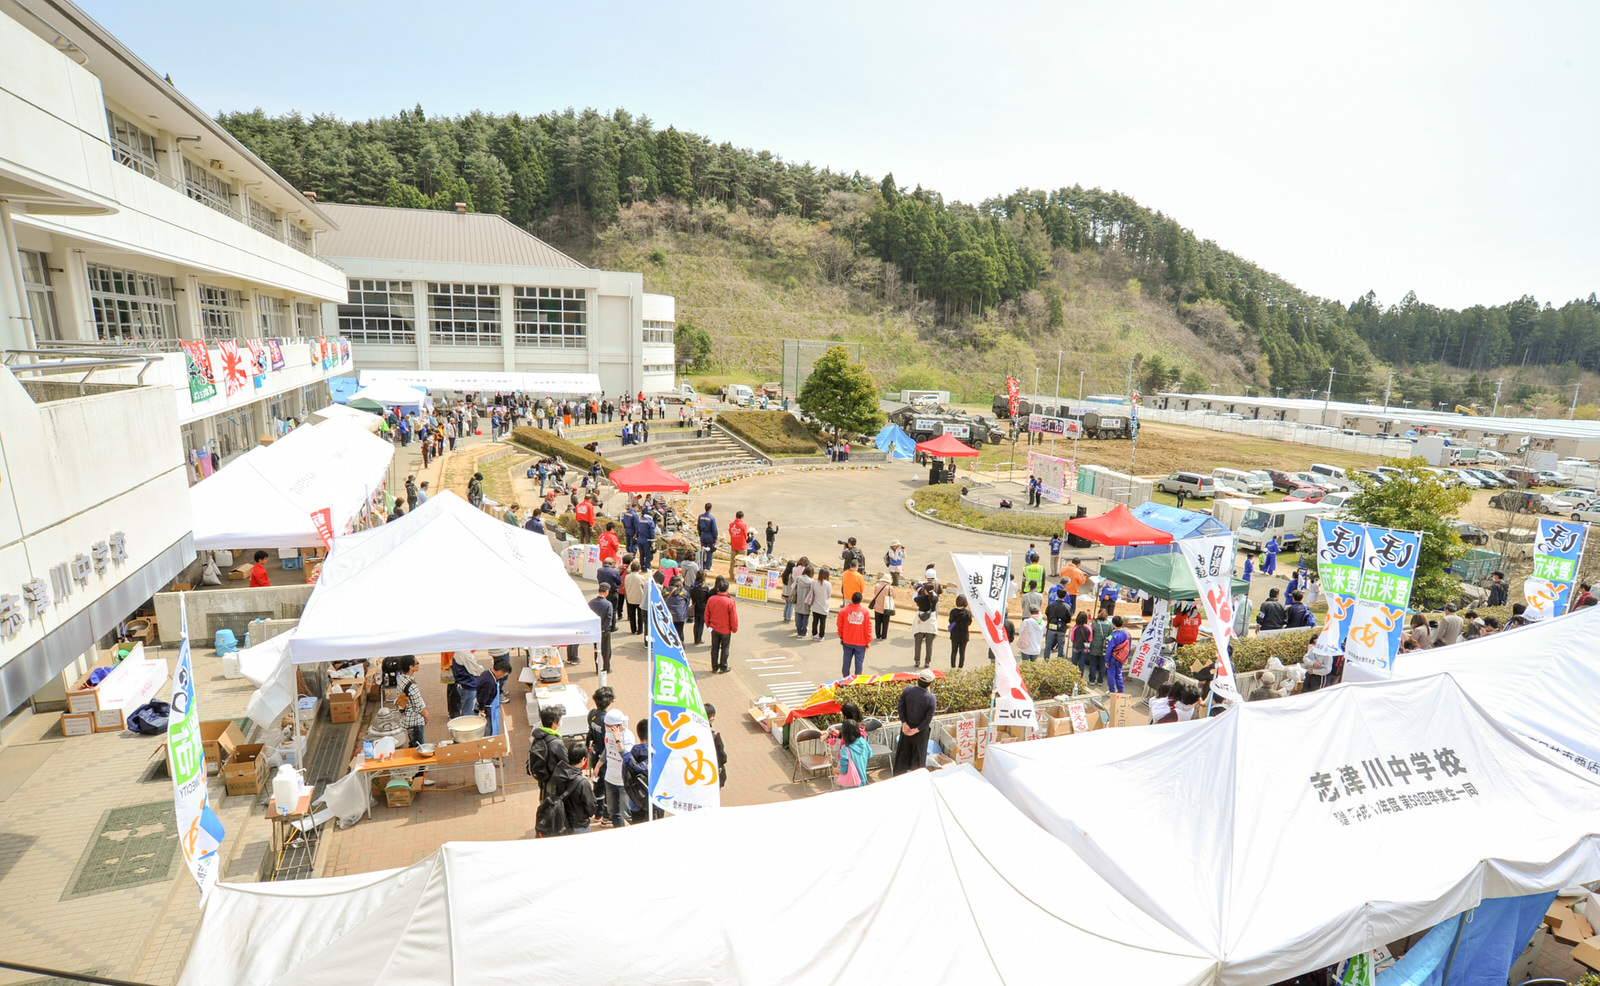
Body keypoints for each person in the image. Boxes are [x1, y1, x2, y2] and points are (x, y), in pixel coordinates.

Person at [528, 705, 592, 837]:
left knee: (547, 806)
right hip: (556, 783)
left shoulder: (538, 736)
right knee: (556, 812)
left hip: (544, 782)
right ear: (555, 723)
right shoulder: (556, 743)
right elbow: (567, 765)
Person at [892, 669, 938, 775]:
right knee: (918, 761)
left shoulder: (908, 690)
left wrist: (904, 723)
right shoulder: (931, 699)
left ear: (918, 680)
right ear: (930, 684)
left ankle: (898, 779)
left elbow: (901, 707)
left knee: (902, 758)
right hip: (920, 733)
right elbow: (927, 719)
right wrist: (916, 730)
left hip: (906, 730)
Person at [601, 709, 636, 828]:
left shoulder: (628, 736)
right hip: (610, 778)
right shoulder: (608, 733)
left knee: (627, 813)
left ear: (618, 725)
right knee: (613, 811)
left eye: (609, 727)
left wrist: (618, 739)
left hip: (623, 781)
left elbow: (627, 756)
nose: (607, 729)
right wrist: (598, 765)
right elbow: (607, 749)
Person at [704, 577, 739, 673]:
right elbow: (733, 618)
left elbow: (707, 614)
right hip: (725, 630)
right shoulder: (730, 602)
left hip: (714, 628)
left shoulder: (711, 599)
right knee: (725, 648)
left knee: (714, 648)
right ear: (727, 590)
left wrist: (709, 626)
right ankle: (723, 666)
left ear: (718, 589)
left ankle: (714, 667)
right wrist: (734, 628)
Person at [837, 591, 872, 677]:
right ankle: (857, 680)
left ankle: (845, 679)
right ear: (861, 600)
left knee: (846, 662)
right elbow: (868, 627)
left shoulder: (844, 611)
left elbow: (839, 625)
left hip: (847, 641)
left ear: (851, 599)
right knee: (859, 663)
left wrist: (841, 636)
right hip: (861, 642)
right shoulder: (864, 612)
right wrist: (868, 641)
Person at [830, 718, 872, 789]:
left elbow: (843, 770)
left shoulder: (845, 749)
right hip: (862, 780)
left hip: (850, 784)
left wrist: (835, 770)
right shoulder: (863, 742)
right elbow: (870, 754)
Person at [590, 584, 616, 685]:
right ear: (606, 592)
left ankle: (598, 668)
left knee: (596, 650)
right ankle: (606, 668)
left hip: (595, 630)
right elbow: (609, 617)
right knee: (606, 650)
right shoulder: (608, 604)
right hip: (605, 631)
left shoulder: (591, 602)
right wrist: (604, 628)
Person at [911, 581, 939, 669]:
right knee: (929, 644)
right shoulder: (935, 599)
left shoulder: (920, 599)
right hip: (931, 622)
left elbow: (914, 598)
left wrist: (918, 590)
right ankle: (927, 662)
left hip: (920, 622)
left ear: (925, 590)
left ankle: (917, 661)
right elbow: (934, 595)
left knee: (918, 643)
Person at [1104, 616, 1131, 693]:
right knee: (1119, 674)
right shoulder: (1128, 634)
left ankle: (1112, 691)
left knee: (1111, 675)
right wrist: (1125, 657)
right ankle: (1120, 690)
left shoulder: (1112, 636)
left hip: (1113, 657)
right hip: (1121, 658)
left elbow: (1109, 649)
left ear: (1114, 624)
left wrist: (1107, 660)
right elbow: (1128, 647)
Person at [1087, 608, 1113, 686]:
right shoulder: (1109, 625)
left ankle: (1092, 680)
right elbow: (1110, 636)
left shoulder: (1095, 624)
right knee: (1102, 665)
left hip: (1094, 646)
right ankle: (1100, 681)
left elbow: (1091, 634)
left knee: (1093, 664)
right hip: (1104, 647)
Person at [946, 595, 973, 669]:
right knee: (962, 652)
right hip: (964, 634)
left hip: (954, 634)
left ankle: (952, 666)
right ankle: (960, 666)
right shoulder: (967, 612)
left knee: (954, 651)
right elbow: (969, 623)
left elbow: (950, 621)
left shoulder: (953, 611)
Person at [705, 704, 728, 789]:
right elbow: (722, 756)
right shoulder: (715, 736)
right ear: (712, 718)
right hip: (713, 772)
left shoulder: (692, 733)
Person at [1044, 589, 1071, 660]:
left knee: (1048, 645)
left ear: (1057, 595)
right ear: (1065, 596)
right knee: (1061, 646)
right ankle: (1059, 662)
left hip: (1051, 627)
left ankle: (1046, 660)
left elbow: (1047, 613)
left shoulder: (1051, 605)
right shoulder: (1067, 607)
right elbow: (1069, 618)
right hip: (1061, 628)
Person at [807, 568, 834, 641]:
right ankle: (821, 636)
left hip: (815, 605)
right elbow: (829, 595)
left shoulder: (814, 582)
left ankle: (814, 634)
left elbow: (812, 592)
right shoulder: (828, 584)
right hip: (824, 606)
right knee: (822, 622)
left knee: (815, 621)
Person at [624, 562, 648, 635]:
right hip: (639, 598)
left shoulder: (627, 577)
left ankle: (633, 629)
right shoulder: (641, 577)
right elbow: (644, 586)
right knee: (640, 615)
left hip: (630, 597)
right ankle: (640, 630)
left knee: (632, 615)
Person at [870, 575, 896, 640]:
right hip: (886, 608)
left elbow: (875, 593)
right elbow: (894, 596)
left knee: (877, 622)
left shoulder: (877, 586)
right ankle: (884, 636)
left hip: (877, 607)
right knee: (885, 623)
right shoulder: (890, 588)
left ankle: (878, 636)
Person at [792, 564, 815, 638]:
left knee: (798, 617)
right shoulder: (812, 581)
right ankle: (804, 632)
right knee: (805, 618)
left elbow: (793, 587)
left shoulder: (798, 578)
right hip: (807, 602)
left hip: (798, 600)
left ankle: (799, 632)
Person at [1070, 611, 1094, 677]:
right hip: (1084, 648)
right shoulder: (1089, 628)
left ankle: (1072, 676)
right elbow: (1090, 639)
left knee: (1074, 662)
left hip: (1076, 646)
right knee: (1082, 663)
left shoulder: (1075, 627)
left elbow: (1072, 638)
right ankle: (1080, 677)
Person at [696, 502, 718, 569]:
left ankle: (702, 565)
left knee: (702, 551)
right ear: (710, 509)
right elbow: (714, 529)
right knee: (709, 551)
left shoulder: (700, 517)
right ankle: (708, 566)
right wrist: (715, 538)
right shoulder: (712, 518)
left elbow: (698, 527)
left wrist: (700, 534)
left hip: (703, 535)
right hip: (709, 536)